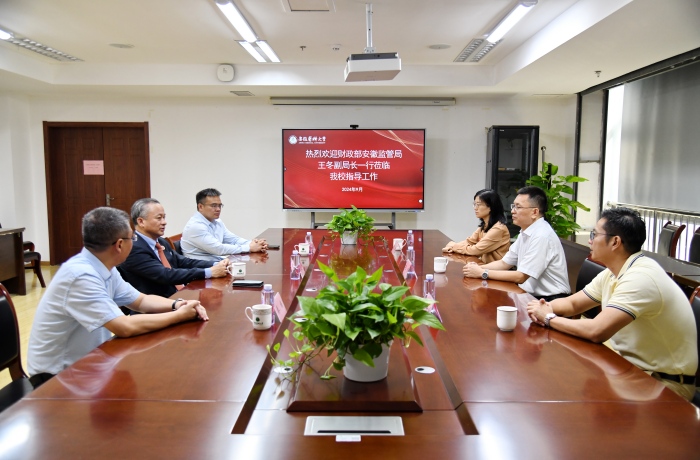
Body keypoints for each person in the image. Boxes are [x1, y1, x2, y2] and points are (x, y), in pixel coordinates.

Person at [527, 207, 697, 401]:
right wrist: (543, 307)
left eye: (594, 235)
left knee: (572, 392)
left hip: (663, 383)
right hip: (631, 367)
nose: (590, 240)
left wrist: (548, 318)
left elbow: (596, 331)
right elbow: (573, 304)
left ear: (615, 242)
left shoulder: (641, 277)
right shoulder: (614, 271)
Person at [27, 207, 208, 388]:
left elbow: (140, 301)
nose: (134, 242)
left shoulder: (104, 266)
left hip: (91, 363)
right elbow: (124, 327)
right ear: (120, 245)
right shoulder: (81, 275)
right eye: (133, 238)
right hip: (57, 378)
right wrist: (179, 316)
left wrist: (178, 304)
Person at [463, 185, 570, 301]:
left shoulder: (542, 236)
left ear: (534, 212)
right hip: (528, 295)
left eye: (518, 207)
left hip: (550, 300)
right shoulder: (526, 232)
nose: (512, 211)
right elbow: (504, 263)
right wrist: (476, 268)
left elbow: (520, 276)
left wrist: (482, 273)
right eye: (513, 206)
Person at [118, 198, 230, 298]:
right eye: (159, 218)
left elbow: (182, 261)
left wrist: (216, 264)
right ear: (141, 221)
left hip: (178, 296)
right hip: (156, 305)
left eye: (164, 217)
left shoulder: (160, 241)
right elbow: (165, 275)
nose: (164, 222)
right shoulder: (133, 248)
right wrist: (208, 272)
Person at [181, 188, 267, 261]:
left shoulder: (217, 221)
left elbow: (233, 239)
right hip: (202, 270)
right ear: (200, 207)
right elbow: (218, 249)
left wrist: (254, 244)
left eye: (220, 205)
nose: (218, 209)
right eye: (214, 206)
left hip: (217, 264)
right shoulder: (195, 226)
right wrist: (249, 248)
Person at [442, 188, 510, 263]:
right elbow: (469, 241)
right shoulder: (484, 226)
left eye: (478, 205)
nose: (475, 208)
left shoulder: (498, 229)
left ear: (491, 207)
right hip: (485, 265)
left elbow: (476, 250)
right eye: (474, 204)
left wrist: (454, 246)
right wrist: (451, 246)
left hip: (495, 269)